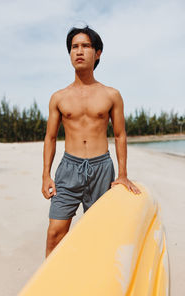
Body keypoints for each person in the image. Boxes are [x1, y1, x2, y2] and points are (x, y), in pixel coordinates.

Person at [42, 25, 141, 258]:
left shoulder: (111, 95)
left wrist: (123, 174)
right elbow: (50, 137)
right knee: (55, 233)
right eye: (74, 47)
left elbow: (119, 135)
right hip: (68, 170)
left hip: (101, 169)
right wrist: (46, 174)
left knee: (102, 233)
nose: (79, 51)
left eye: (85, 46)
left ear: (97, 54)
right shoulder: (59, 97)